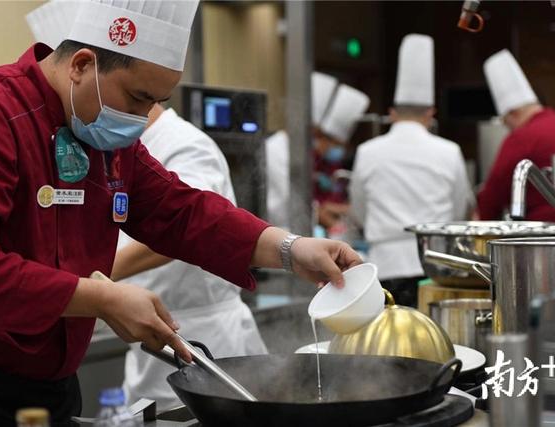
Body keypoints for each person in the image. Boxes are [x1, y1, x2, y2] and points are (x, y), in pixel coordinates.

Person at [0, 1, 361, 425]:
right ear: (81, 65)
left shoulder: (107, 140)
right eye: (137, 96)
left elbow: (182, 210)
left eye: (155, 102)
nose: (142, 117)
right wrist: (102, 299)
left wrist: (291, 249)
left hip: (54, 385)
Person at [112, 103, 268, 409]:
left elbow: (186, 229)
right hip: (153, 335)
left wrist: (98, 276)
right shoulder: (124, 147)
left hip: (202, 338)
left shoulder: (186, 145)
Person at [349, 34, 474, 307]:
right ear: (431, 113)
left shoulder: (367, 151)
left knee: (389, 345)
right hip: (434, 267)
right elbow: (458, 212)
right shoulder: (449, 151)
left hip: (384, 268)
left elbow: (358, 211)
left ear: (391, 112)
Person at [477, 49, 555, 222]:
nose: (508, 128)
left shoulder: (522, 137)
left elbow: (492, 196)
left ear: (513, 113)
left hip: (543, 234)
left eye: (505, 121)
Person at [265, 72, 370, 231]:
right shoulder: (274, 150)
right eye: (318, 134)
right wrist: (330, 221)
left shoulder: (301, 153)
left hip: (297, 230)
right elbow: (294, 200)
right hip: (278, 231)